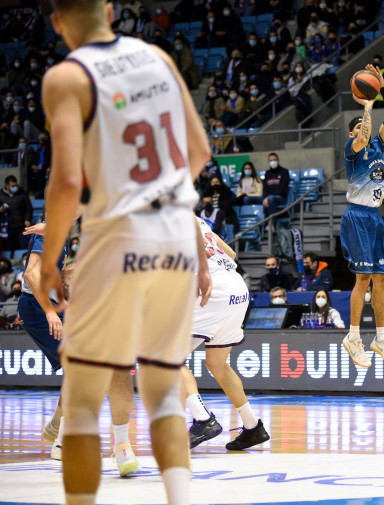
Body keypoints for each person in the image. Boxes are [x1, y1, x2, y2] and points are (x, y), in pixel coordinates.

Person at [38, 0, 212, 502]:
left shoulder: (66, 78)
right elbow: (198, 152)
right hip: (176, 236)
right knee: (162, 391)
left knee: (84, 396)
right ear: (110, 10)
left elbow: (67, 181)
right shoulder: (157, 57)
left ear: (57, 22)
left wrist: (50, 260)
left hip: (117, 238)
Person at [21, 220, 141, 474]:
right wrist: (51, 312)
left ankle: (59, 429)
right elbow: (31, 274)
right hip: (38, 307)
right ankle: (62, 439)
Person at [181, 218, 269, 450]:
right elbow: (230, 253)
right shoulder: (199, 220)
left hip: (215, 290)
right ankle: (252, 426)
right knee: (217, 363)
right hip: (238, 287)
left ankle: (202, 419)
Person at [340, 64, 384, 370]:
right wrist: (367, 105)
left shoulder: (378, 144)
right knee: (362, 277)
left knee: (382, 278)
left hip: (375, 217)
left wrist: (381, 88)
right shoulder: (352, 147)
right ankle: (352, 337)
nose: (363, 131)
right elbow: (364, 134)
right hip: (357, 216)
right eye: (360, 126)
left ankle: (381, 337)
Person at [0, 175, 32, 252]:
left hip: (21, 225)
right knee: (7, 247)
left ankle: (24, 261)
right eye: (12, 186)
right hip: (7, 227)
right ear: (7, 186)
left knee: (23, 246)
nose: (15, 187)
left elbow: (29, 208)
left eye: (15, 185)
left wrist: (27, 219)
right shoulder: (1, 195)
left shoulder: (22, 194)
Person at [261, 152, 290, 224]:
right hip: (268, 198)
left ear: (278, 160)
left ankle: (271, 224)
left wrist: (268, 198)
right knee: (248, 199)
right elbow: (265, 187)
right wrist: (265, 197)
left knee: (271, 198)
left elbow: (283, 189)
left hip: (281, 198)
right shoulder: (267, 173)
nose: (273, 162)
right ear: (268, 162)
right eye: (271, 160)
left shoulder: (284, 172)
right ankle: (258, 226)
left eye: (274, 160)